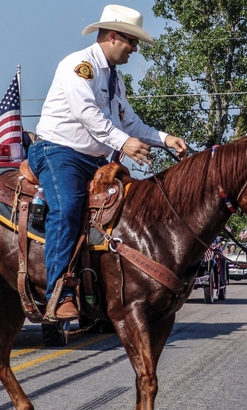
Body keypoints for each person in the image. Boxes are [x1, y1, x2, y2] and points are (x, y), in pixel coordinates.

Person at [28, 5, 188, 320]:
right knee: (68, 207)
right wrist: (124, 143)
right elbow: (86, 113)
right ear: (112, 36)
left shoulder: (115, 80)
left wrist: (165, 138)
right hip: (59, 152)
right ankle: (59, 292)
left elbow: (130, 123)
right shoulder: (80, 66)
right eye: (131, 41)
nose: (135, 49)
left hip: (94, 159)